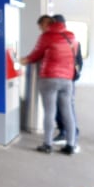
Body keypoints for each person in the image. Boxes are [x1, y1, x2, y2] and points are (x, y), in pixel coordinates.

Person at [20, 15, 77, 155]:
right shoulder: (72, 36)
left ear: (45, 25)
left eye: (40, 27)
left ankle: (47, 144)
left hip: (50, 78)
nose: (40, 30)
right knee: (67, 112)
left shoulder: (47, 36)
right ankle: (70, 145)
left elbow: (34, 56)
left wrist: (21, 60)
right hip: (67, 80)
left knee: (49, 112)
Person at [50, 14, 82, 152]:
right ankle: (68, 133)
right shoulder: (73, 39)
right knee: (66, 106)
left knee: (64, 106)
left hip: (60, 78)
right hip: (69, 78)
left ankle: (69, 134)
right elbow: (79, 61)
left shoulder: (58, 39)